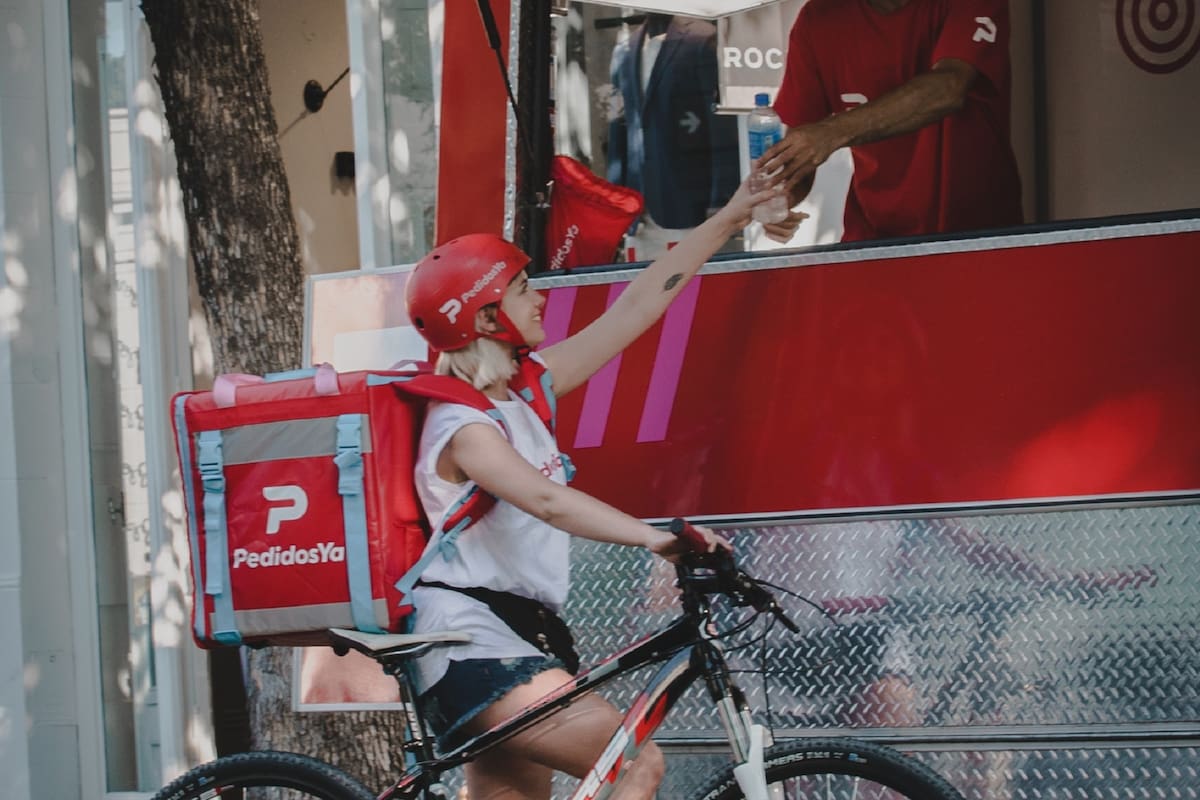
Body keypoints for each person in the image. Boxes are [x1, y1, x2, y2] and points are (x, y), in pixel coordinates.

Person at [401, 175, 773, 798]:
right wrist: (655, 538)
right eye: (522, 289)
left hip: (520, 635)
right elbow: (548, 500)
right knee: (634, 762)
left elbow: (638, 307)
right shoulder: (462, 427)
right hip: (470, 641)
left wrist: (731, 216)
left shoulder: (524, 392)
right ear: (487, 316)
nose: (539, 298)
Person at [758, 0, 1023, 244]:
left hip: (980, 235)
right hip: (875, 239)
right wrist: (783, 197)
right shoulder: (818, 19)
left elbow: (949, 88)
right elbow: (802, 150)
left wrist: (833, 132)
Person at [607, 13, 740, 260]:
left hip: (688, 204)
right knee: (640, 291)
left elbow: (721, 127)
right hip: (637, 212)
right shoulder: (625, 49)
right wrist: (614, 204)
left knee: (691, 292)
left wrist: (720, 201)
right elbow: (619, 130)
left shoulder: (702, 38)